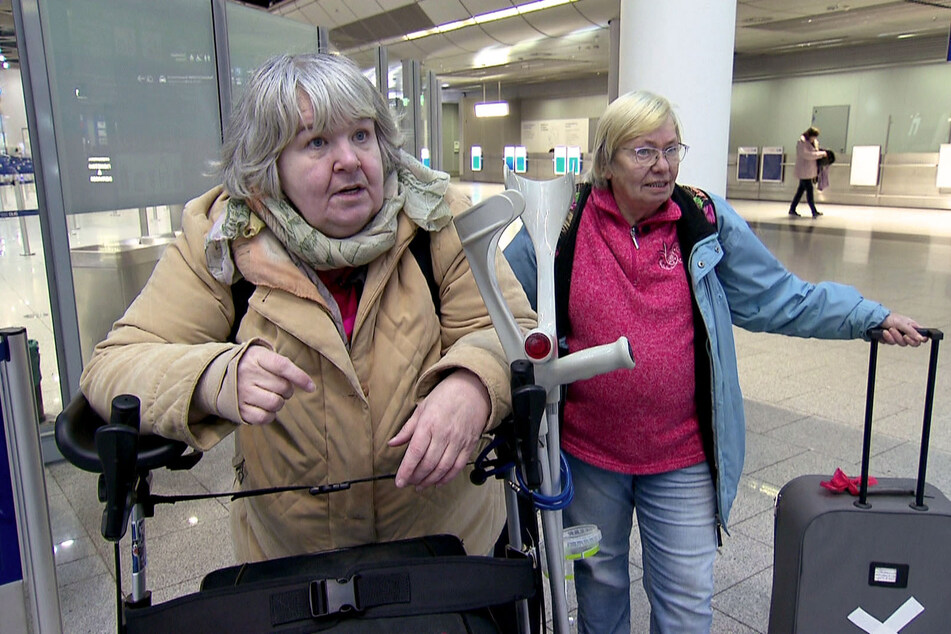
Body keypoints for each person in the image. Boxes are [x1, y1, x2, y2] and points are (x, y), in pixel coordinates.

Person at [80, 52, 535, 564]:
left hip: (445, 554)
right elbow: (115, 365)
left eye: (361, 135)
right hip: (296, 567)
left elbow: (513, 331)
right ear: (267, 167)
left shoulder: (438, 218)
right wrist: (212, 377)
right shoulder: (221, 243)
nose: (349, 160)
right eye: (316, 142)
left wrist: (473, 384)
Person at [503, 90, 926, 634]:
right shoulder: (563, 222)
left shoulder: (702, 220)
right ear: (606, 160)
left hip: (683, 456)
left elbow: (778, 296)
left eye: (671, 148)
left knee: (685, 605)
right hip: (588, 457)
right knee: (599, 588)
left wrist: (864, 315)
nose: (663, 165)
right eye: (644, 151)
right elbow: (499, 302)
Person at [788, 126, 827, 217]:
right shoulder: (801, 143)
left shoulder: (814, 142)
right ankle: (813, 211)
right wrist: (821, 154)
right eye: (814, 136)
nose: (815, 138)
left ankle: (792, 209)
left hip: (808, 171)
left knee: (800, 191)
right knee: (809, 190)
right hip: (803, 170)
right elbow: (806, 155)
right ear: (810, 135)